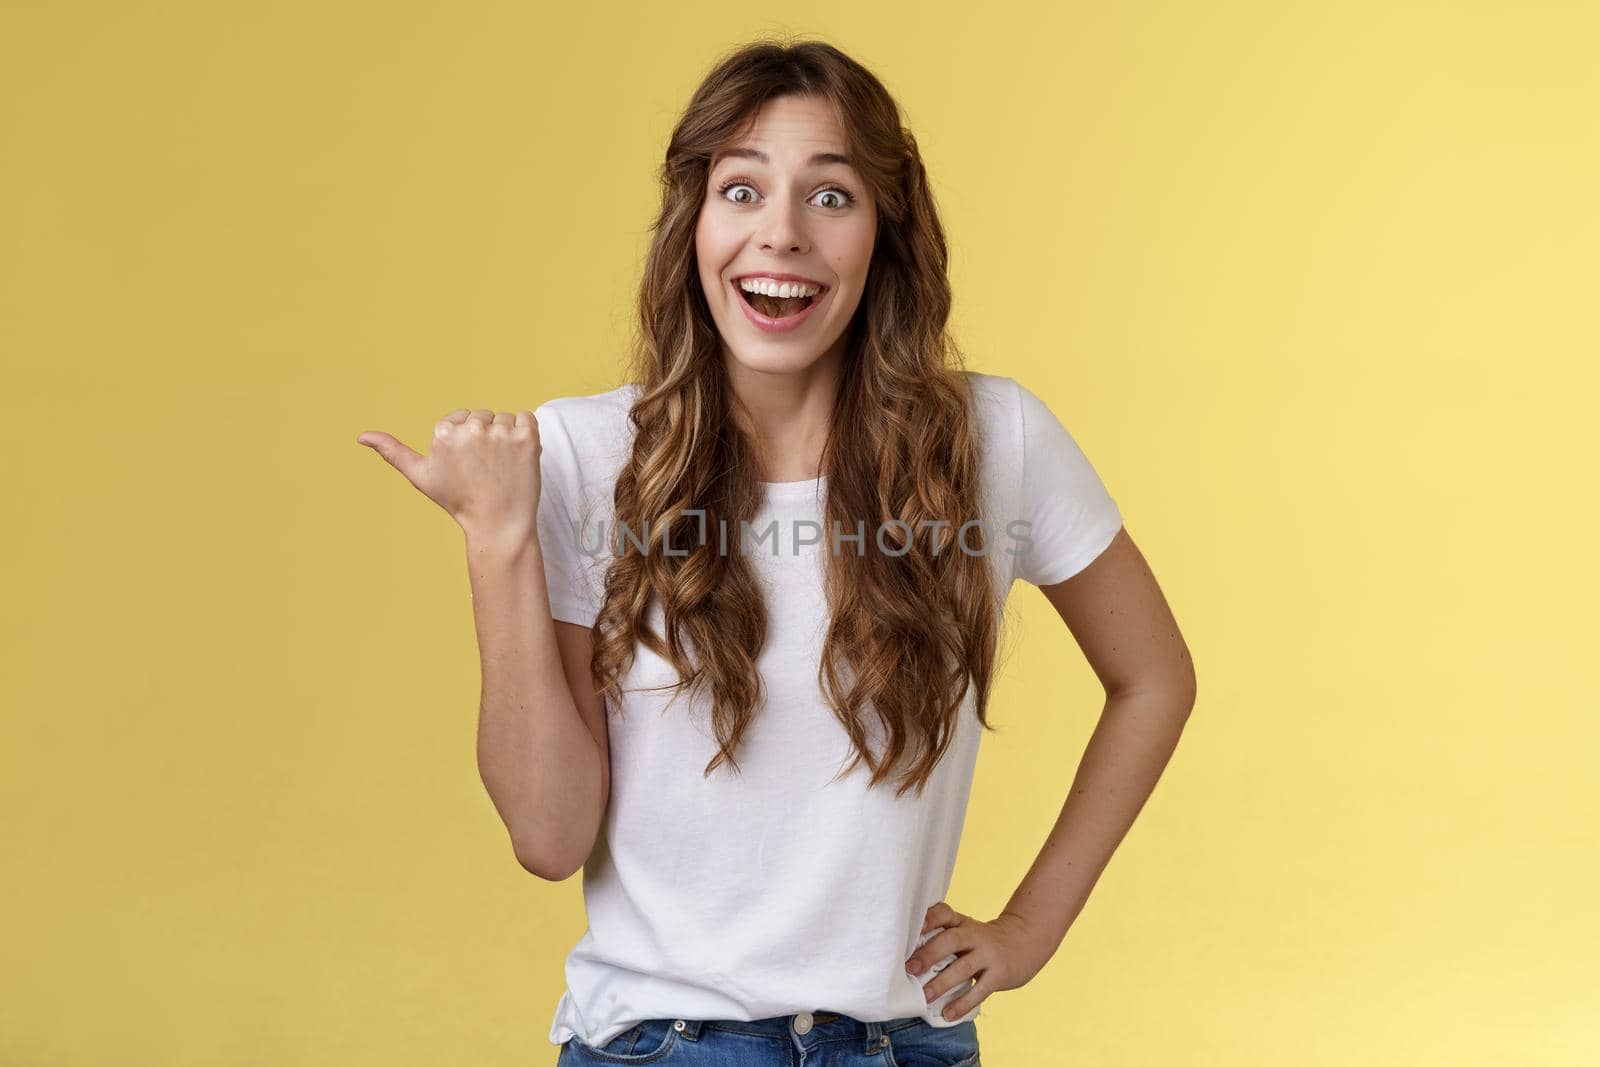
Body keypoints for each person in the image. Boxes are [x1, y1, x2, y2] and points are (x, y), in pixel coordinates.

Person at [357, 37, 1196, 1067]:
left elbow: (1154, 677)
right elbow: (548, 833)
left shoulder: (991, 442)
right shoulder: (582, 453)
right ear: (693, 225)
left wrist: (1028, 930)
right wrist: (494, 540)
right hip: (663, 1045)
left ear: (885, 232)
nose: (782, 235)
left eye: (830, 197)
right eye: (741, 190)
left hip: (906, 1044)